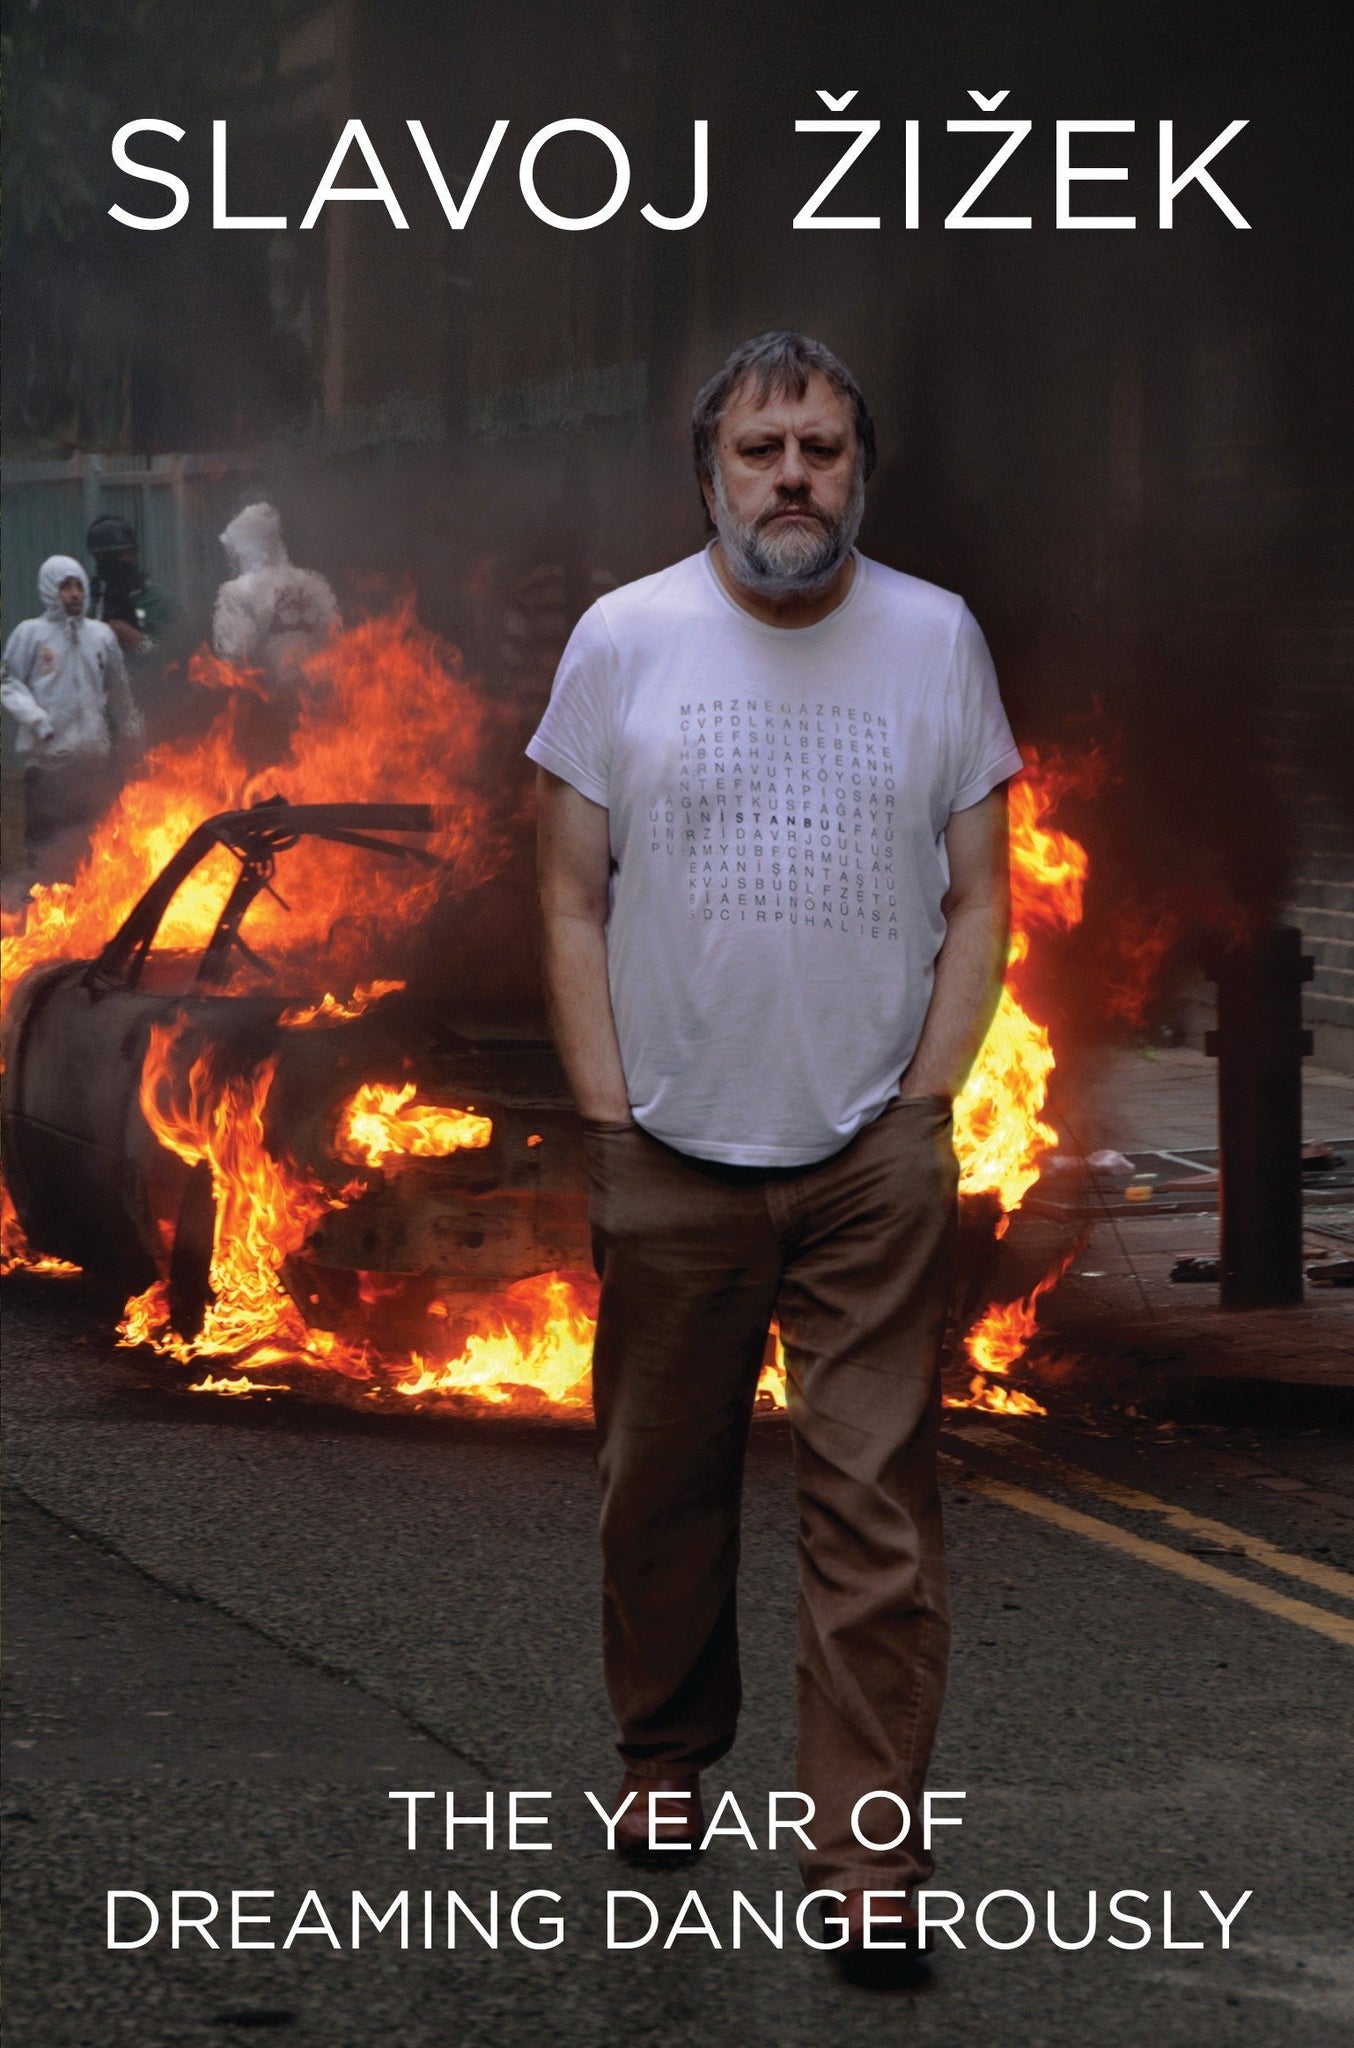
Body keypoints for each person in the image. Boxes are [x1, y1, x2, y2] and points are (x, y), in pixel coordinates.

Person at [527, 332, 1022, 1977]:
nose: (792, 475)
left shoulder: (936, 638)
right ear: (707, 475)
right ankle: (664, 1754)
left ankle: (865, 1858)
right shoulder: (622, 639)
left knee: (872, 1502)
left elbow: (981, 895)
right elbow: (567, 897)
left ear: (858, 471)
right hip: (668, 1143)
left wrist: (925, 1104)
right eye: (760, 449)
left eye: (820, 447)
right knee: (655, 1487)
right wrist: (606, 1118)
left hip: (870, 1151)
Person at [1, 554, 145, 869]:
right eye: (66, 587)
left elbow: (121, 693)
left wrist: (133, 735)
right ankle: (38, 899)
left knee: (92, 850)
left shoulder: (101, 636)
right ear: (50, 590)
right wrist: (38, 722)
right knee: (42, 852)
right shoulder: (30, 634)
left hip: (91, 766)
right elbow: (8, 682)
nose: (75, 594)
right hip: (47, 767)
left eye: (79, 586)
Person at [211, 502, 340, 684]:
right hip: (321, 687)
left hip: (266, 694)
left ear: (243, 548)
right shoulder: (315, 583)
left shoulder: (236, 592)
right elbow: (335, 637)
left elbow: (235, 655)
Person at [86, 513, 170, 655]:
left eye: (121, 555)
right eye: (106, 558)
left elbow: (183, 656)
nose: (115, 564)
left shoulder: (158, 601)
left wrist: (137, 640)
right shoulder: (86, 602)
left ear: (133, 554)